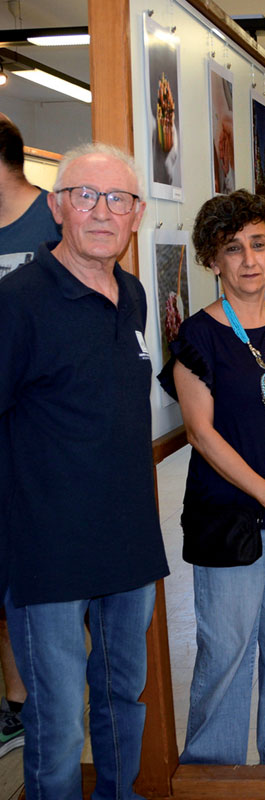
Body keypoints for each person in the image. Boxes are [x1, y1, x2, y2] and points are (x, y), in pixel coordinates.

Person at [0, 142, 169, 799]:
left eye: (119, 199)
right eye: (86, 196)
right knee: (58, 722)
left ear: (137, 215)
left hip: (127, 543)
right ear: (57, 207)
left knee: (123, 699)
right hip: (48, 553)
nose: (103, 212)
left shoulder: (130, 294)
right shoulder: (18, 301)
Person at [159, 190, 265, 797]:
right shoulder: (196, 340)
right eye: (233, 249)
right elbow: (203, 435)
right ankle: (216, 763)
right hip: (229, 519)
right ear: (213, 259)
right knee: (227, 646)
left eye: (259, 244)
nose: (250, 259)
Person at [0, 113, 60, 762]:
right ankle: (16, 703)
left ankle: (37, 703)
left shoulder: (56, 221)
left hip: (42, 439)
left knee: (40, 581)